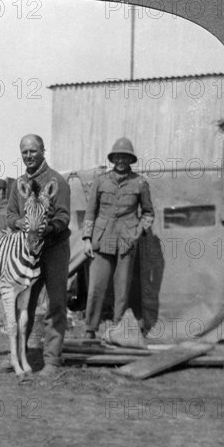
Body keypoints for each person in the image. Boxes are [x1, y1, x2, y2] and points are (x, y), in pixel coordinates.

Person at [5, 134, 72, 377]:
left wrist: (45, 228)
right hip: (27, 253)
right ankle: (17, 355)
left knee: (55, 303)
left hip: (53, 249)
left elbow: (64, 217)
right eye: (24, 151)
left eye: (33, 151)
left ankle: (52, 361)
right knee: (23, 304)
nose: (28, 156)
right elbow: (9, 214)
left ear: (43, 151)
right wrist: (21, 222)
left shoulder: (57, 182)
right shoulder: (19, 184)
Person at [82, 137, 155, 339]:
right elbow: (90, 211)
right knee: (96, 287)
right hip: (101, 238)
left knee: (122, 289)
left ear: (131, 159)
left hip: (127, 240)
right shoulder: (100, 181)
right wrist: (87, 238)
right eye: (117, 157)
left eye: (125, 157)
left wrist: (137, 232)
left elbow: (149, 213)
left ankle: (117, 330)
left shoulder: (140, 183)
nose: (121, 160)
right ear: (112, 158)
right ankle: (90, 329)